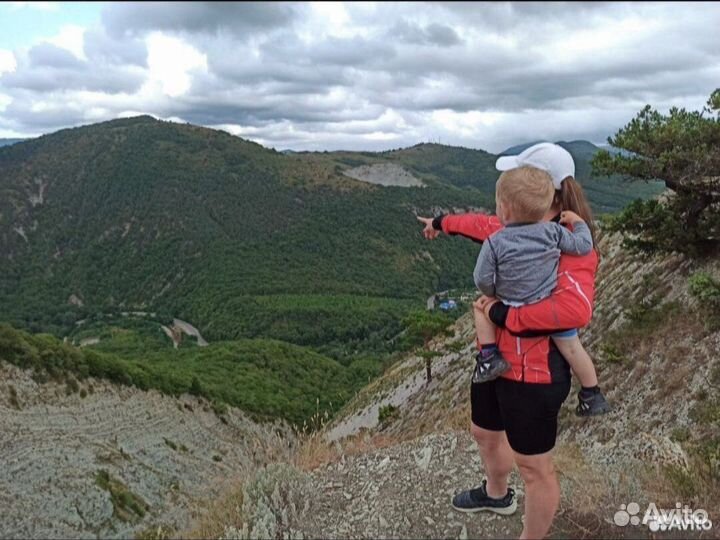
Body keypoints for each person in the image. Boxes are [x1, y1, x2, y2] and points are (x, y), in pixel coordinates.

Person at [416, 143, 605, 540]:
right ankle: (497, 494)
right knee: (484, 433)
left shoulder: (566, 244)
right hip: (495, 362)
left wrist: (505, 316)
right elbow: (479, 225)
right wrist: (441, 221)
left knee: (535, 468)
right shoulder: (513, 228)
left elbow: (575, 311)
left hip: (536, 375)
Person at [469, 165, 610, 419]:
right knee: (573, 349)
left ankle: (489, 357)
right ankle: (592, 394)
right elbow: (582, 246)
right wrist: (578, 222)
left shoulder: (495, 241)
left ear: (505, 209)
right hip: (546, 301)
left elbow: (481, 278)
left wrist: (492, 295)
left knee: (480, 308)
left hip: (511, 302)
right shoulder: (554, 231)